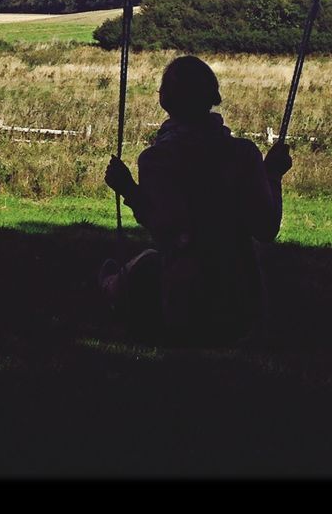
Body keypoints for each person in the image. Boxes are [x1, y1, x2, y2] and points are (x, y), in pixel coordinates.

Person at [99, 55, 292, 345]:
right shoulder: (243, 155)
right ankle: (115, 285)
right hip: (242, 301)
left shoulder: (157, 159)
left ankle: (112, 290)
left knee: (151, 261)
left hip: (187, 304)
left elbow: (165, 231)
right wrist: (273, 175)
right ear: (213, 97)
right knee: (148, 262)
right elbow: (266, 229)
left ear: (164, 100)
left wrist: (128, 189)